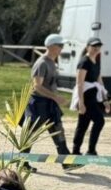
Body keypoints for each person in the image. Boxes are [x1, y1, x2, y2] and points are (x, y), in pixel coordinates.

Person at [24, 34, 79, 171]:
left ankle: (67, 162)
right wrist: (56, 97)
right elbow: (37, 86)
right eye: (60, 45)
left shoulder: (52, 62)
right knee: (31, 135)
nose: (62, 48)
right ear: (51, 46)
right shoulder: (41, 63)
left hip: (49, 104)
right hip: (38, 104)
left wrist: (55, 97)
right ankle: (22, 164)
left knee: (58, 131)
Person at [71, 38, 110, 156]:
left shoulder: (97, 59)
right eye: (94, 47)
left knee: (83, 124)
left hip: (93, 95)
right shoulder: (84, 61)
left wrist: (105, 100)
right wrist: (81, 103)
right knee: (99, 121)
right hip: (86, 96)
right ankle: (90, 150)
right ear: (88, 47)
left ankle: (76, 151)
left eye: (98, 47)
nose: (96, 49)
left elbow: (99, 79)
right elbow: (79, 83)